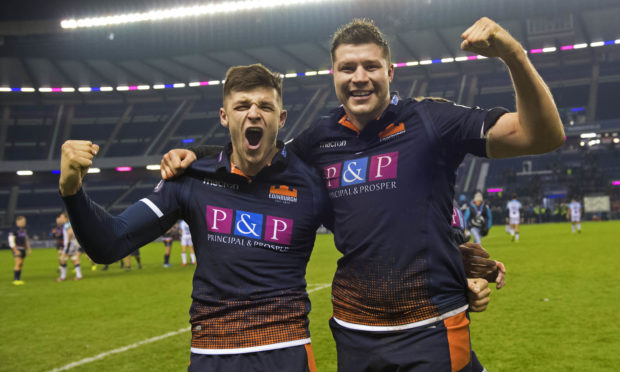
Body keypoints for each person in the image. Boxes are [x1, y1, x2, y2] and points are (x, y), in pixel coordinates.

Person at [163, 17, 564, 371]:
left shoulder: (431, 121)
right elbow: (258, 158)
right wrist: (195, 155)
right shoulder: (317, 142)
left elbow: (542, 135)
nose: (359, 77)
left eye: (371, 66)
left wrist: (513, 54)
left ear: (391, 71)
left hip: (431, 325)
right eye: (347, 67)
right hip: (355, 333)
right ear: (333, 76)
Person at [59, 64, 331, 371]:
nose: (254, 114)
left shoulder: (311, 184)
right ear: (224, 116)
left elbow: (368, 236)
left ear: (280, 119)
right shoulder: (189, 179)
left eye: (265, 106)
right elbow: (109, 244)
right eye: (241, 106)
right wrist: (72, 189)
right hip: (212, 354)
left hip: (287, 351)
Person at [57, 212, 83, 281]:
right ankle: (79, 276)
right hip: (73, 244)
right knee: (74, 259)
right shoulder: (69, 224)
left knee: (62, 259)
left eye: (62, 217)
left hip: (70, 245)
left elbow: (70, 233)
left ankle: (63, 277)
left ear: (66, 218)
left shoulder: (66, 225)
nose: (61, 219)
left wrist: (68, 242)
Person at [9, 215, 31, 285]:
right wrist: (15, 250)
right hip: (17, 249)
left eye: (24, 221)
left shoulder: (24, 230)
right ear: (18, 222)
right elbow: (11, 241)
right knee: (18, 263)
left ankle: (18, 278)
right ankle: (16, 280)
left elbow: (26, 240)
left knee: (21, 264)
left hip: (23, 249)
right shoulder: (14, 230)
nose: (24, 223)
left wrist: (28, 249)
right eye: (23, 221)